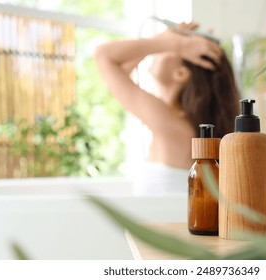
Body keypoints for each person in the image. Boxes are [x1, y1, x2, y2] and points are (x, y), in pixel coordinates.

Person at [95, 22, 240, 195]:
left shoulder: (174, 125)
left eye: (174, 49)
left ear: (181, 73)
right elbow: (116, 74)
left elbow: (103, 55)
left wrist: (175, 43)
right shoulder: (177, 122)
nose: (160, 51)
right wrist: (165, 40)